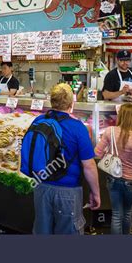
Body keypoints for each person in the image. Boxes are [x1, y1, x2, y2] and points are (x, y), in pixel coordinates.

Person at [32, 83, 101, 234]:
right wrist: (95, 192)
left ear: (52, 102)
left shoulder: (38, 121)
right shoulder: (78, 127)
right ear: (71, 103)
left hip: (40, 186)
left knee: (42, 232)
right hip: (68, 192)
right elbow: (89, 165)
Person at [95, 104, 132, 234]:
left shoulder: (110, 131)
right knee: (127, 213)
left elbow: (97, 153)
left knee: (116, 214)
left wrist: (111, 152)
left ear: (120, 116)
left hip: (113, 179)